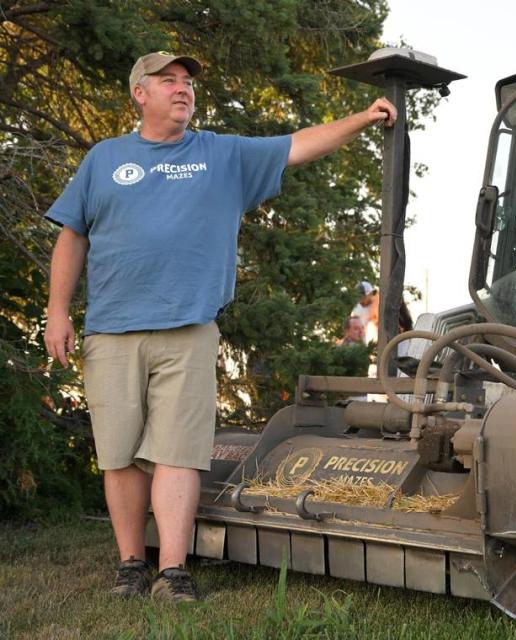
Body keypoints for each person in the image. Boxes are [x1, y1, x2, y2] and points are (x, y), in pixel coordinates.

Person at [42, 51, 396, 602]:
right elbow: (72, 235)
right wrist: (57, 312)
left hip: (188, 328)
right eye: (169, 82)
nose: (182, 89)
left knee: (179, 452)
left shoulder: (220, 154)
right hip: (111, 331)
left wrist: (362, 118)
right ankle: (131, 564)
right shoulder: (104, 159)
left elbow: (298, 144)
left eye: (187, 83)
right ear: (140, 93)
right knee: (118, 455)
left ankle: (173, 572)